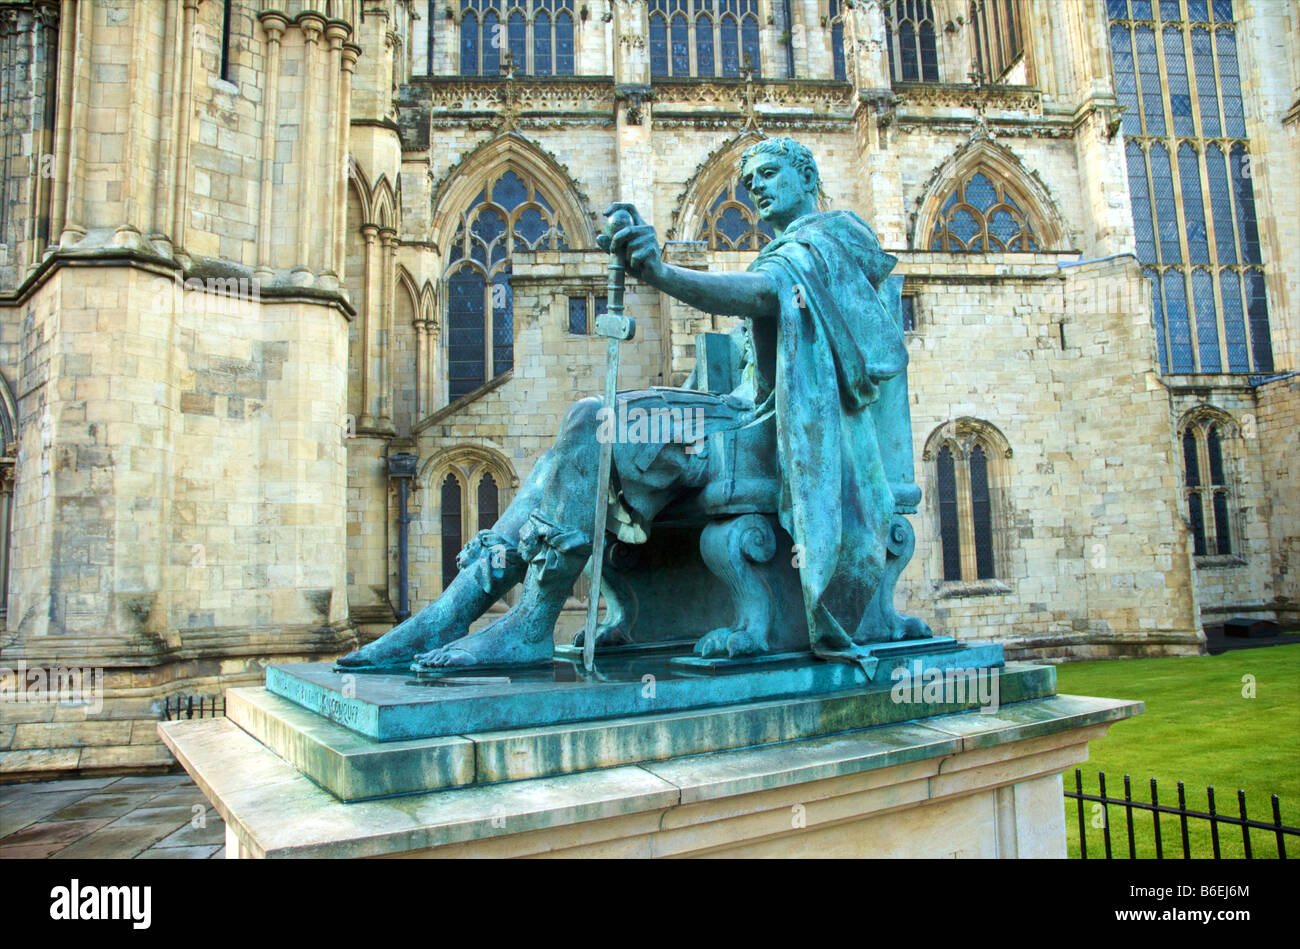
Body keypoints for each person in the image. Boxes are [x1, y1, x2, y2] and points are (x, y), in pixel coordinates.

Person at [338, 137, 907, 670]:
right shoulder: (786, 251)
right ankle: (450, 614)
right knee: (573, 443)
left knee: (593, 420)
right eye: (749, 179)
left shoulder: (833, 241)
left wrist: (659, 272)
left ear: (807, 175)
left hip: (772, 436)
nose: (755, 187)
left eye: (769, 174)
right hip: (732, 417)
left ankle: (527, 623)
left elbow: (763, 296)